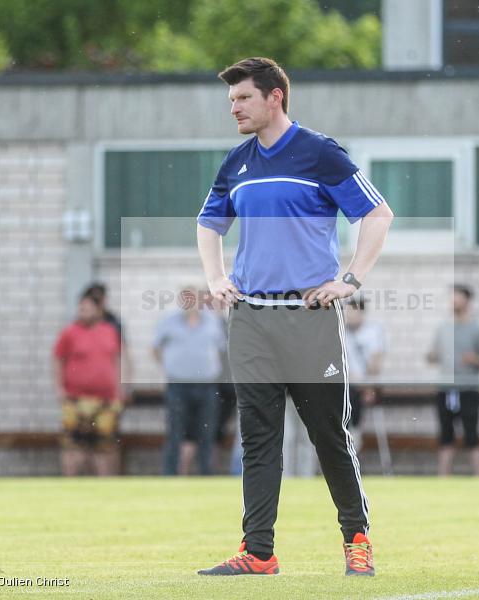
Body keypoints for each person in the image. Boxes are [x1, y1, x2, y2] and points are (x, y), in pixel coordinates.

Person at [196, 57, 393, 577]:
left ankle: (357, 540)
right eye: (232, 100)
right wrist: (216, 278)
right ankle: (258, 552)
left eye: (242, 98)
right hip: (251, 320)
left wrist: (350, 280)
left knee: (329, 435)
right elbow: (208, 223)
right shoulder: (235, 163)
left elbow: (377, 214)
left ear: (274, 97)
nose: (233, 108)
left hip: (309, 318)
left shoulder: (319, 153)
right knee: (258, 441)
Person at [153, 286, 226, 476]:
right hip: (178, 386)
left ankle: (206, 475)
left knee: (207, 433)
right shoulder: (169, 321)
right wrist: (171, 367)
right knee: (175, 432)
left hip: (207, 386)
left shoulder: (212, 322)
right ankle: (170, 475)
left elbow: (221, 349)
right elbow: (155, 349)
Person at [53, 290, 123, 476]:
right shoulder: (69, 333)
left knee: (104, 447)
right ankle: (71, 486)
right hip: (75, 399)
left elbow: (118, 360)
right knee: (73, 446)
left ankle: (103, 488)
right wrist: (59, 388)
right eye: (80, 308)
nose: (82, 311)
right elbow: (58, 360)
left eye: (87, 308)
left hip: (105, 401)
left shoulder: (110, 332)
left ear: (98, 310)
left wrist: (120, 389)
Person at [426, 284, 479, 477]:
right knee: (445, 436)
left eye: (457, 296)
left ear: (467, 301)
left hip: (468, 389)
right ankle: (443, 478)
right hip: (445, 389)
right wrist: (432, 356)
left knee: (472, 435)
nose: (453, 300)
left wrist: (474, 359)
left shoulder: (478, 329)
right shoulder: (442, 328)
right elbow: (433, 355)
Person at [342, 295, 386, 454]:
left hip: (364, 385)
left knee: (354, 409)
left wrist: (368, 386)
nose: (348, 315)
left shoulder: (373, 332)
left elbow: (376, 360)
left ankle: (353, 439)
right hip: (346, 383)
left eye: (352, 312)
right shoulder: (342, 332)